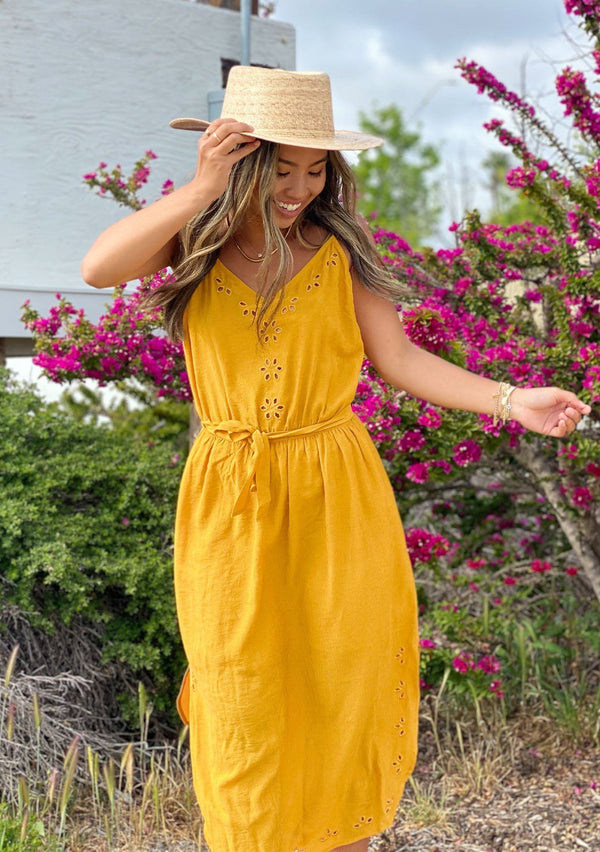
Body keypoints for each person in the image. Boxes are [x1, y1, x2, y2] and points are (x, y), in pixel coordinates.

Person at [81, 66, 591, 852]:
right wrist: (199, 189)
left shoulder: (338, 252)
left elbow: (402, 360)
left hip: (335, 489)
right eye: (281, 168)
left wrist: (510, 397)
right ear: (242, 159)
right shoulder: (192, 242)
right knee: (238, 686)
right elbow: (97, 268)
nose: (298, 187)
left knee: (342, 682)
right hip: (231, 496)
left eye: (315, 169)